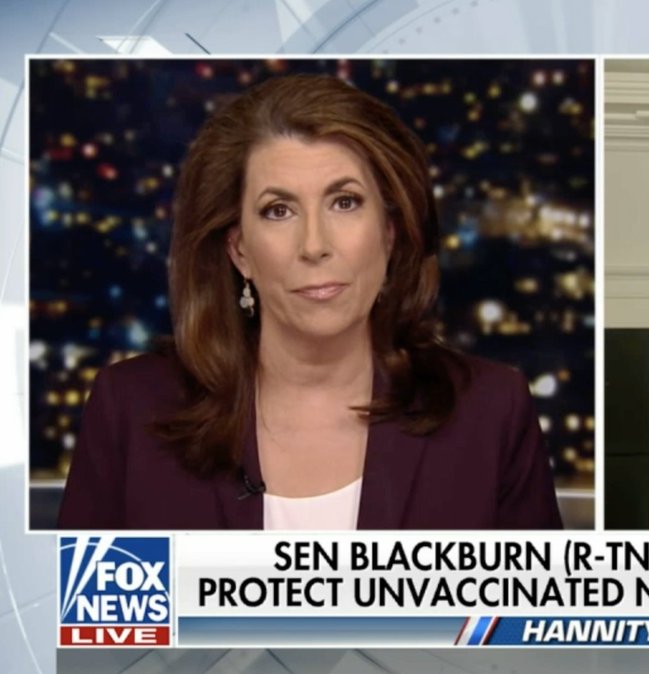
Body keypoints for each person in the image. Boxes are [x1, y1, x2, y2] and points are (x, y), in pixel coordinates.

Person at [58, 74, 563, 530]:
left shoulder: (490, 412)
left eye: (345, 202)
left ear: (389, 233)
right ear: (239, 250)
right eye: (278, 210)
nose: (315, 245)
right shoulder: (130, 410)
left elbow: (524, 606)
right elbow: (90, 606)